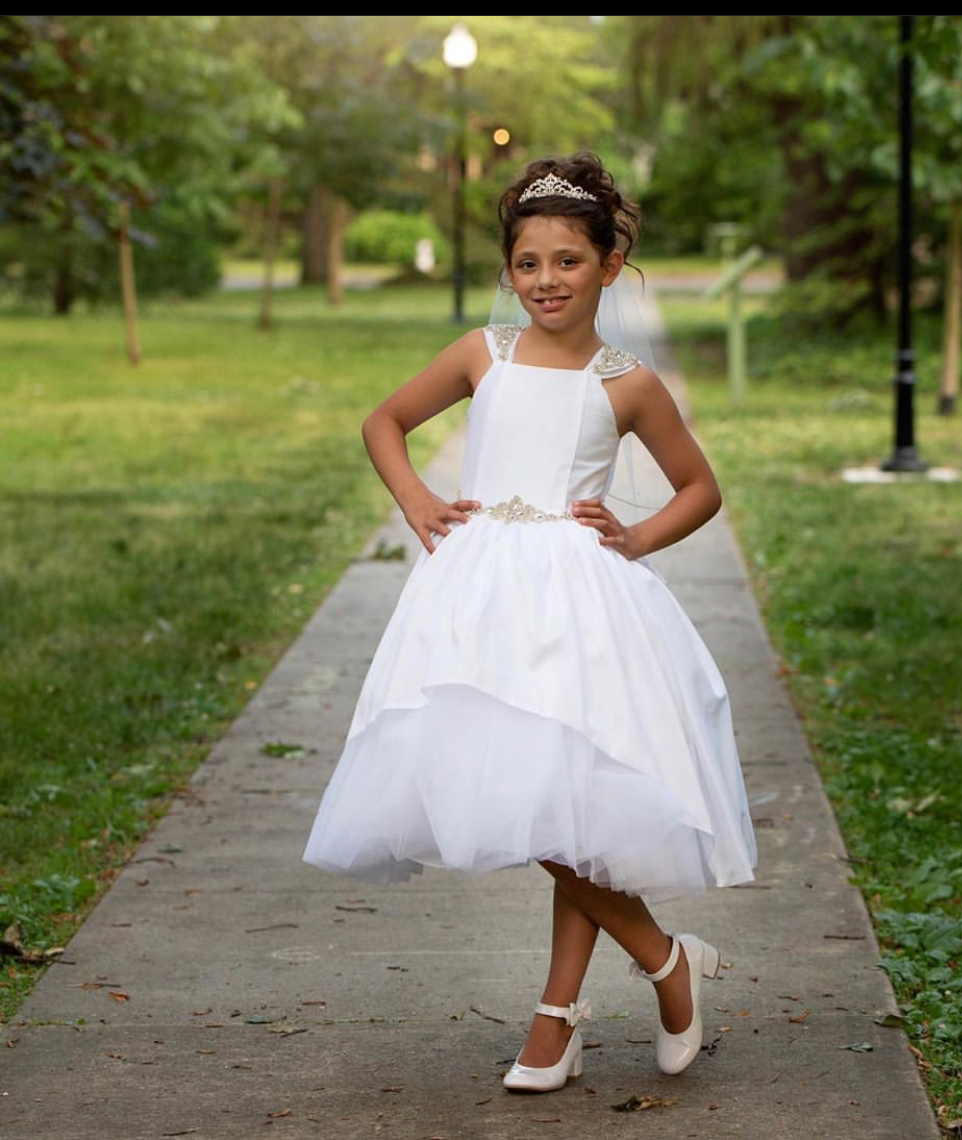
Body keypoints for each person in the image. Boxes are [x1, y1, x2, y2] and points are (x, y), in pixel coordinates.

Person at [302, 151, 758, 1094]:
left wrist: (632, 539)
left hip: (579, 601)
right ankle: (664, 963)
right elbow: (382, 421)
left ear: (607, 264)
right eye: (527, 264)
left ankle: (560, 1019)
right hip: (477, 597)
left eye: (567, 262)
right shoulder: (484, 352)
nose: (545, 281)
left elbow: (700, 488)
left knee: (567, 810)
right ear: (508, 270)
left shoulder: (624, 380)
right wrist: (419, 501)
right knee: (537, 803)